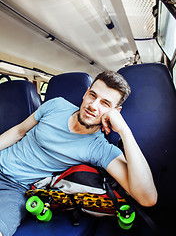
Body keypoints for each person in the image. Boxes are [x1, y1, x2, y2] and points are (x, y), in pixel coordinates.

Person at [0, 71, 157, 236]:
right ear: (85, 93)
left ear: (116, 111)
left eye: (105, 103)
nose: (93, 106)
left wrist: (125, 131)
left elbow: (147, 198)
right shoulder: (56, 105)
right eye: (92, 95)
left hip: (14, 188)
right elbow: (19, 131)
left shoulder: (99, 148)